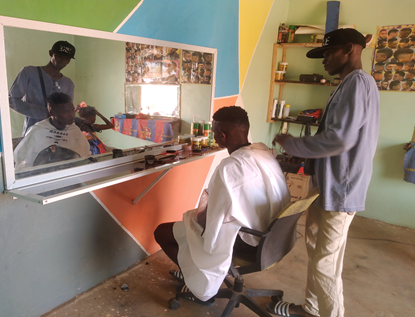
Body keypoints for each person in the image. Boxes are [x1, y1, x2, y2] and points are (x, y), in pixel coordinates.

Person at [270, 29, 379, 317]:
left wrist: (294, 143)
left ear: (349, 49)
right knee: (316, 249)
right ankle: (312, 308)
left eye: (328, 53)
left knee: (325, 262)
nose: (323, 60)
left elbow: (340, 138)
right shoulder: (346, 84)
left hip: (341, 189)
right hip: (327, 184)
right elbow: (335, 135)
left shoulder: (358, 83)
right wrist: (301, 153)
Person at [154, 106, 290, 305]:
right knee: (190, 226)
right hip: (273, 239)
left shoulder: (229, 168)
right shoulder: (264, 152)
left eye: (215, 132)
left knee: (163, 232)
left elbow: (213, 225)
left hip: (248, 242)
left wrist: (194, 220)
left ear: (222, 135)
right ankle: (194, 273)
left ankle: (199, 286)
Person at [9, 41, 76, 136]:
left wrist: (81, 121)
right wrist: (43, 112)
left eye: (67, 58)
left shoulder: (68, 83)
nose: (63, 61)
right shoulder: (29, 73)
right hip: (33, 135)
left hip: (59, 136)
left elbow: (67, 111)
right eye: (60, 56)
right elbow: (11, 100)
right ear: (51, 53)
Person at [14, 92, 90, 171]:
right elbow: (22, 161)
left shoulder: (74, 130)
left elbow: (84, 156)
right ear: (51, 112)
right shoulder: (38, 131)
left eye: (72, 111)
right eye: (66, 112)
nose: (71, 115)